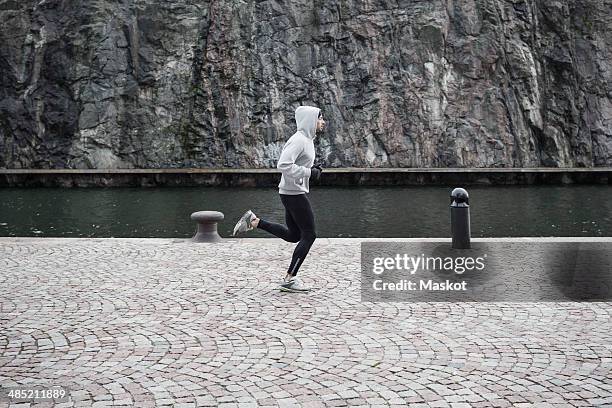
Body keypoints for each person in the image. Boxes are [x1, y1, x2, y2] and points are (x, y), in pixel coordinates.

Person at [232, 105, 325, 292]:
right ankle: (290, 279)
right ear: (310, 121)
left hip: (291, 192)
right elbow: (283, 164)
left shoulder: (307, 139)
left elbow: (297, 164)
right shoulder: (299, 140)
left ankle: (254, 221)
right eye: (320, 118)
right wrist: (309, 172)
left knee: (294, 235)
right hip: (293, 194)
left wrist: (312, 170)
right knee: (310, 235)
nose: (323, 122)